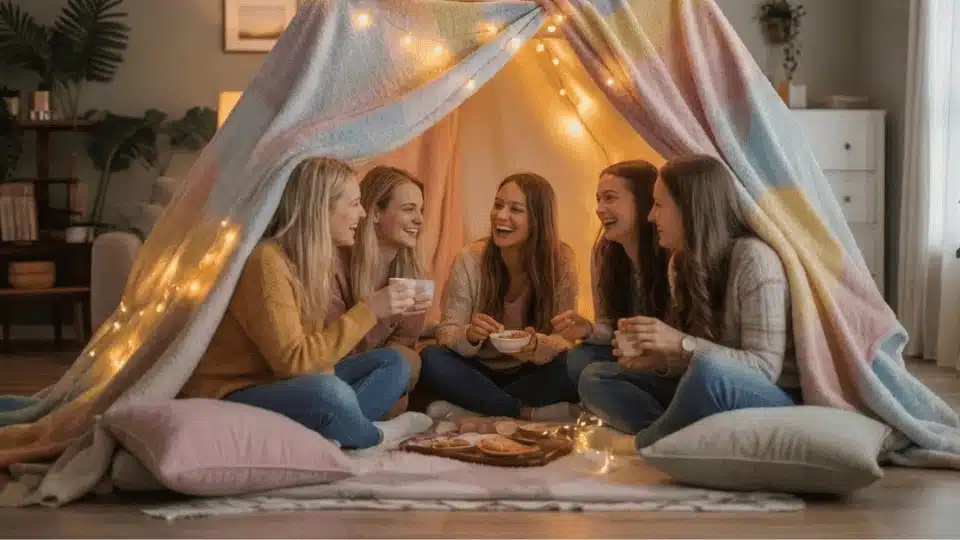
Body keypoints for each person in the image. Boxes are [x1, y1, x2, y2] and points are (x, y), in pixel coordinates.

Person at [180, 157, 432, 449]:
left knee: (394, 363)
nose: (362, 214)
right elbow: (294, 363)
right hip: (240, 389)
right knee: (329, 394)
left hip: (287, 383)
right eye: (353, 204)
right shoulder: (267, 262)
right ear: (322, 207)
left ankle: (337, 433)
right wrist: (370, 311)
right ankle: (377, 436)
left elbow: (316, 356)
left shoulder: (312, 263)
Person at [577, 154, 800, 449]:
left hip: (767, 394)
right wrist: (659, 361)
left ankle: (655, 444)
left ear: (689, 208)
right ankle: (680, 439)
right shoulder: (679, 264)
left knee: (708, 373)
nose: (650, 216)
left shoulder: (755, 260)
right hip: (706, 385)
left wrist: (679, 344)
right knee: (596, 377)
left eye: (658, 205)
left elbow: (763, 370)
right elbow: (692, 360)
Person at [418, 173, 580, 421]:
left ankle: (478, 408)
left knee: (576, 363)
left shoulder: (562, 261)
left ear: (538, 219)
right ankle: (521, 412)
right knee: (431, 358)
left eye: (515, 209)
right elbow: (447, 330)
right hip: (477, 372)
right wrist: (469, 335)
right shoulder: (470, 259)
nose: (501, 215)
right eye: (497, 205)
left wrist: (537, 345)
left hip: (530, 371)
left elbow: (566, 339)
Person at [550, 160, 671, 387]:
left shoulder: (671, 255)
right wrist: (588, 329)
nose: (599, 208)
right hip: (627, 356)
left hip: (667, 362)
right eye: (598, 199)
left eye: (610, 197)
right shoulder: (604, 254)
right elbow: (608, 327)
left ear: (644, 202)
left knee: (593, 377)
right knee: (578, 359)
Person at [328, 165, 432, 418]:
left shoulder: (413, 274)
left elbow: (403, 344)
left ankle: (351, 419)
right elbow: (328, 349)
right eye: (409, 209)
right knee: (398, 372)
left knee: (411, 361)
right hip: (330, 372)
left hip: (375, 373)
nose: (419, 219)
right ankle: (349, 422)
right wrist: (374, 309)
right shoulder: (336, 265)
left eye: (421, 210)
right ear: (374, 213)